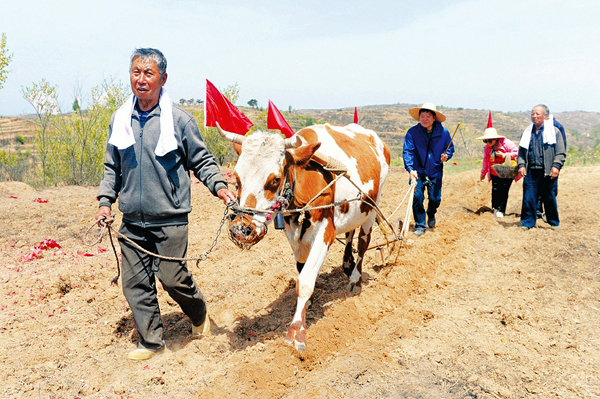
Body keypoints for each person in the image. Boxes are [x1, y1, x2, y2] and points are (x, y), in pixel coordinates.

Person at [95, 48, 236, 360]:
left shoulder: (179, 120)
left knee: (172, 277)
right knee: (134, 283)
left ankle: (199, 314)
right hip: (132, 218)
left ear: (163, 78)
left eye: (149, 73)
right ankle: (152, 342)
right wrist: (106, 202)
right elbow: (111, 168)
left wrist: (220, 187)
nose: (141, 79)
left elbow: (202, 160)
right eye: (136, 72)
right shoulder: (120, 119)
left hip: (170, 217)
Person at [403, 103, 454, 237]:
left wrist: (446, 156)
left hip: (435, 171)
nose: (424, 119)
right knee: (417, 197)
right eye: (422, 116)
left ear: (434, 118)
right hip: (417, 171)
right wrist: (410, 169)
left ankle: (431, 213)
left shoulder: (443, 133)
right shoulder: (412, 133)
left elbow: (450, 148)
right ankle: (420, 225)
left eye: (428, 116)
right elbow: (407, 151)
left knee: (435, 199)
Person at [517, 104, 566, 230]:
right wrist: (521, 165)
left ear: (545, 116)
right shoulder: (527, 132)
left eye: (537, 114)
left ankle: (553, 222)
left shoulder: (554, 132)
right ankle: (527, 222)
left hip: (547, 171)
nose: (534, 116)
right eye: (532, 114)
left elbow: (560, 152)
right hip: (531, 171)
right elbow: (521, 152)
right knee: (528, 197)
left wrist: (556, 166)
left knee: (549, 197)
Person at [477, 111, 521, 218]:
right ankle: (495, 208)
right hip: (494, 171)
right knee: (495, 189)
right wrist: (483, 173)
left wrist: (504, 155)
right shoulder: (488, 148)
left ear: (496, 139)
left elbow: (518, 152)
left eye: (490, 141)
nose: (488, 143)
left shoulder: (507, 143)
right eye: (486, 141)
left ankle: (501, 209)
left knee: (504, 189)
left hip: (507, 171)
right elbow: (486, 161)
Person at [537, 111, 567, 220]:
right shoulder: (537, 127)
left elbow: (561, 147)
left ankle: (549, 213)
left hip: (551, 163)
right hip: (539, 163)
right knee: (538, 188)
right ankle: (538, 211)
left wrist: (557, 164)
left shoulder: (557, 127)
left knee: (550, 189)